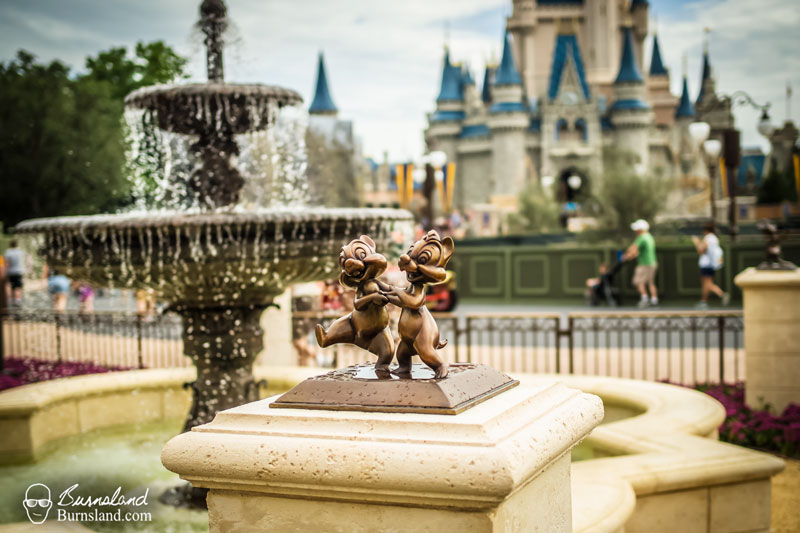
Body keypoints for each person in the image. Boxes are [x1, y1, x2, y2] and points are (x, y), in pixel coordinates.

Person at [692, 223, 730, 309]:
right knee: (707, 283)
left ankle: (720, 295)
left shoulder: (708, 238)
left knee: (707, 283)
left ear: (705, 230)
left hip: (706, 264)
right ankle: (704, 301)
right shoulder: (714, 238)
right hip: (711, 264)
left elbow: (701, 250)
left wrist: (696, 242)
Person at [623, 219, 658, 308]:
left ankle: (644, 299)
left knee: (638, 282)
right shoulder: (649, 237)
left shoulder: (641, 237)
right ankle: (654, 299)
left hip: (644, 264)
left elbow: (633, 249)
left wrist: (627, 256)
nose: (635, 231)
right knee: (651, 282)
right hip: (652, 262)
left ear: (640, 229)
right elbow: (639, 251)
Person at [3, 240, 28, 307]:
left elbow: (6, 263)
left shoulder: (8, 252)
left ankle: (13, 300)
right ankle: (18, 300)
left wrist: (5, 272)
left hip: (11, 272)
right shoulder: (21, 251)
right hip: (19, 271)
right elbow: (26, 260)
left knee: (12, 286)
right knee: (18, 286)